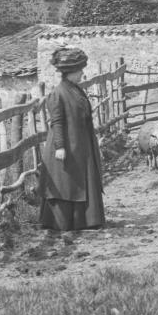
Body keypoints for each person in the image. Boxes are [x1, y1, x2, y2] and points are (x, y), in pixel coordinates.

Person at [40, 46, 106, 234]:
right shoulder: (58, 93)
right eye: (79, 71)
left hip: (81, 144)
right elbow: (57, 122)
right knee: (66, 183)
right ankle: (62, 222)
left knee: (81, 180)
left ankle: (85, 221)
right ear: (70, 72)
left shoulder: (75, 89)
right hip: (67, 145)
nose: (82, 74)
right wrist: (60, 146)